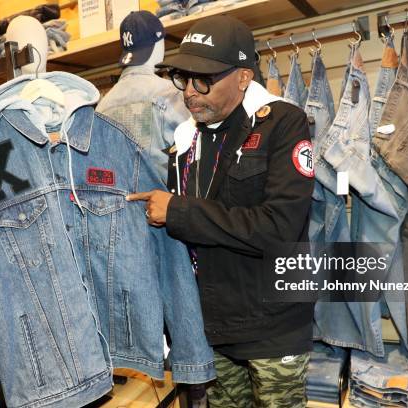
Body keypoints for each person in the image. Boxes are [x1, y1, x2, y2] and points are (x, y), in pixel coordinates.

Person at [127, 15, 315, 407]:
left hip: (274, 325)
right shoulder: (185, 138)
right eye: (184, 79)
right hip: (211, 325)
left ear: (243, 76)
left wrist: (178, 212)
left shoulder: (283, 122)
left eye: (204, 80)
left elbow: (280, 227)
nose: (191, 93)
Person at [97, 10, 188, 183]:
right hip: (162, 204)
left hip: (119, 205)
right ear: (158, 44)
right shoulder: (170, 93)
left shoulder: (102, 105)